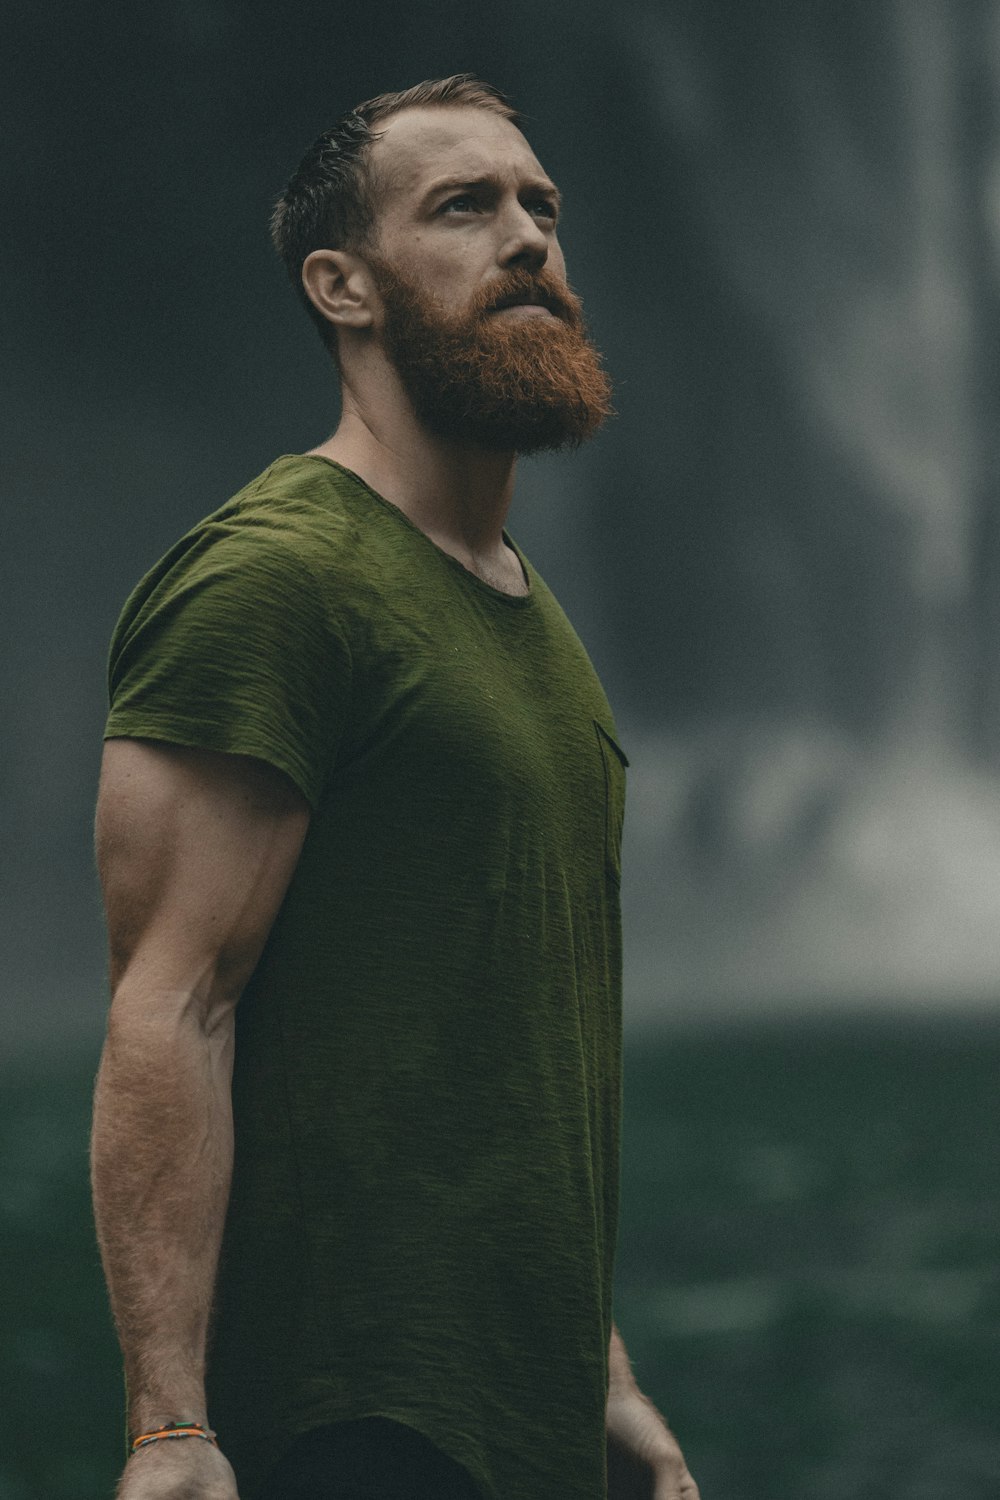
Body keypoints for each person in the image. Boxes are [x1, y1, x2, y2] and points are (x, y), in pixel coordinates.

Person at [90, 73, 700, 1500]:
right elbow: (170, 1005)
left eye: (543, 205)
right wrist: (171, 1430)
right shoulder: (276, 577)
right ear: (342, 285)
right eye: (466, 206)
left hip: (522, 1420)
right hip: (352, 1425)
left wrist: (596, 1373)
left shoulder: (525, 609)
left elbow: (494, 1053)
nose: (530, 236)